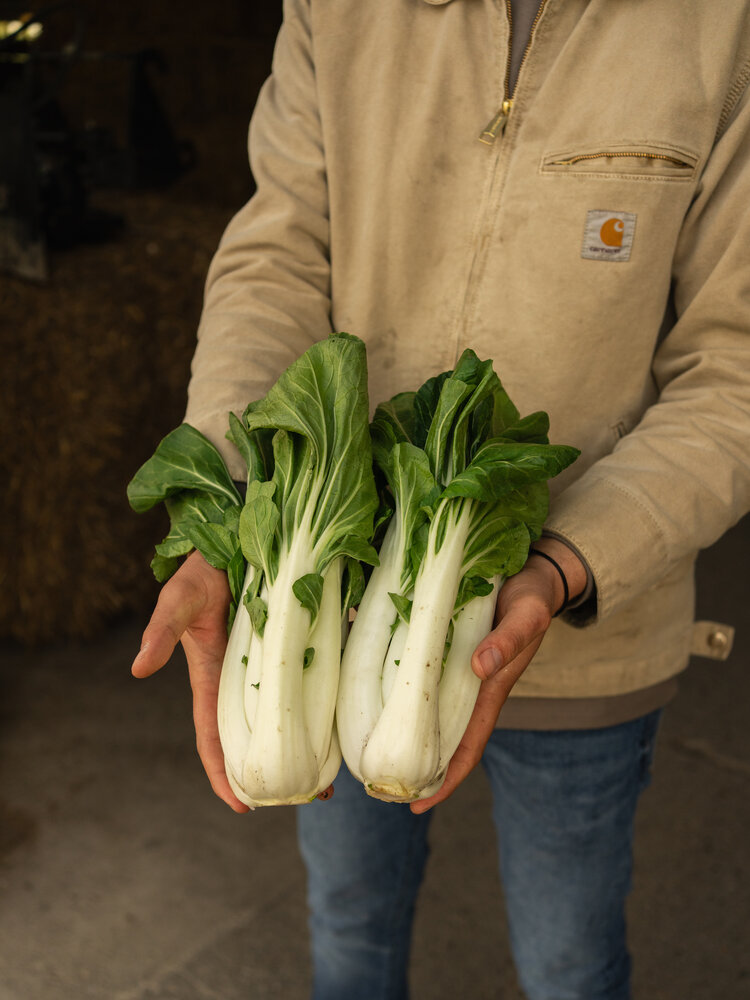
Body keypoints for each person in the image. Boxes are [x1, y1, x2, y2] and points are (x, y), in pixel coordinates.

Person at [131, 2, 750, 997]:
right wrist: (242, 526)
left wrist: (563, 562)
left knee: (571, 962)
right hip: (334, 609)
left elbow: (737, 367)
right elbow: (276, 258)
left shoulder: (718, 27)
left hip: (593, 619)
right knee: (350, 922)